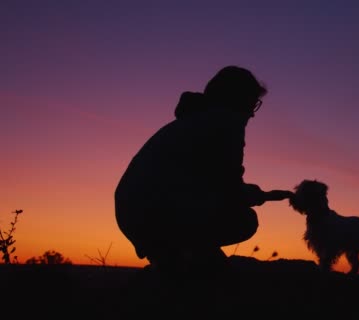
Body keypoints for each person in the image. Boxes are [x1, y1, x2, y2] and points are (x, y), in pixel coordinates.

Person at [114, 65, 293, 274]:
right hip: (157, 213)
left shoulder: (191, 122)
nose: (252, 114)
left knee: (213, 215)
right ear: (237, 99)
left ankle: (171, 258)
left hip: (132, 212)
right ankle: (184, 259)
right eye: (251, 103)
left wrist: (261, 194)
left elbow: (211, 183)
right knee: (244, 220)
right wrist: (261, 196)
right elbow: (229, 189)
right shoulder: (226, 124)